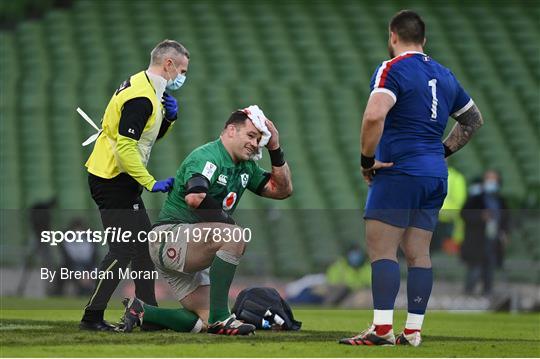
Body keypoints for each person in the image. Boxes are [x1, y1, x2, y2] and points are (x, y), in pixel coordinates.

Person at [339, 10, 483, 347]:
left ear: (392, 36)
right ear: (424, 39)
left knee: (382, 250)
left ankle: (382, 329)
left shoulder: (392, 68)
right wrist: (441, 151)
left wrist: (367, 160)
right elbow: (473, 120)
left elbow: (374, 115)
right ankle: (414, 330)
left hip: (399, 170)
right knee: (419, 253)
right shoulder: (444, 74)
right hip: (434, 175)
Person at [119, 107, 292, 335]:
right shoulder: (208, 155)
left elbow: (283, 190)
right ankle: (223, 318)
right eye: (250, 135)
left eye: (259, 140)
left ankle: (142, 311)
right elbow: (195, 197)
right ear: (231, 130)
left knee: (205, 322)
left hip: (189, 243)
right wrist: (228, 225)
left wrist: (275, 148)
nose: (254, 143)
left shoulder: (246, 167)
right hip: (169, 236)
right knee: (235, 235)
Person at [79, 40, 190, 331]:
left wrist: (170, 120)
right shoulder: (142, 97)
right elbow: (126, 148)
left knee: (142, 250)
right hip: (112, 178)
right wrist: (151, 183)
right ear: (168, 64)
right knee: (123, 250)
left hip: (119, 179)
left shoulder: (144, 86)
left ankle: (148, 316)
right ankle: (91, 317)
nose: (182, 76)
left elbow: (144, 136)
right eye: (182, 69)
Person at [461, 170, 509, 296]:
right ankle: (469, 293)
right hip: (477, 240)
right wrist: (480, 216)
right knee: (475, 269)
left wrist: (504, 233)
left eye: (494, 179)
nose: (491, 182)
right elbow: (464, 214)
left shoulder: (501, 200)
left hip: (493, 239)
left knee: (490, 268)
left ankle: (487, 294)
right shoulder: (476, 198)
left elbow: (505, 219)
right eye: (488, 179)